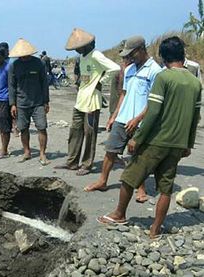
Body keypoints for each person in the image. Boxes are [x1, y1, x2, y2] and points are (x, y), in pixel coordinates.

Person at [97, 36, 202, 239]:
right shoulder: (194, 83)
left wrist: (138, 138)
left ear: (163, 57)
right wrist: (188, 143)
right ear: (183, 55)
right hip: (177, 143)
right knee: (165, 188)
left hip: (156, 140)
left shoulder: (164, 77)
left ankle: (119, 214)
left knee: (129, 178)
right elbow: (195, 117)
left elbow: (153, 112)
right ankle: (155, 229)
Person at [85, 36, 161, 201]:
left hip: (141, 121)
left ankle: (140, 189)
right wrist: (114, 115)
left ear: (141, 50)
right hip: (123, 117)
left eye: (131, 53)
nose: (129, 57)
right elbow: (124, 95)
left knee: (138, 155)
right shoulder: (129, 69)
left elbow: (153, 100)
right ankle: (102, 181)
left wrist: (138, 119)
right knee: (110, 150)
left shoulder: (155, 71)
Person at [56, 28, 120, 176]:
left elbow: (115, 68)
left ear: (85, 45)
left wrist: (101, 82)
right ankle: (72, 161)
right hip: (80, 100)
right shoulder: (82, 58)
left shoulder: (96, 55)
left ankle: (86, 164)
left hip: (92, 101)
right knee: (75, 131)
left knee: (89, 133)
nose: (76, 51)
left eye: (78, 48)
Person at [8, 38, 51, 165]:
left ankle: (42, 154)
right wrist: (13, 104)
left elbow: (44, 83)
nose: (24, 56)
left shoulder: (38, 64)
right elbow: (11, 86)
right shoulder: (14, 66)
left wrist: (46, 102)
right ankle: (27, 152)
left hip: (38, 102)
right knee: (23, 128)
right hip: (21, 103)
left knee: (42, 127)